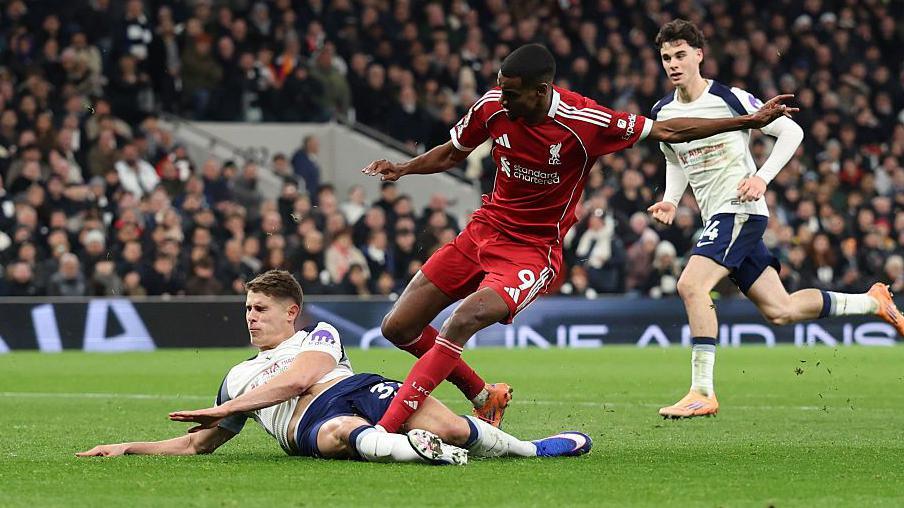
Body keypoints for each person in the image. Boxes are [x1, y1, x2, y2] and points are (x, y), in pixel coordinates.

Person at [360, 43, 797, 434]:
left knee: (463, 319)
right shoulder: (493, 106)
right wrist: (403, 168)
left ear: (541, 90)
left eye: (512, 93)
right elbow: (454, 151)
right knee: (397, 327)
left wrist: (747, 121)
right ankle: (484, 396)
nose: (502, 99)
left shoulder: (585, 120)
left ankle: (386, 429)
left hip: (531, 251)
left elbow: (667, 131)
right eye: (500, 90)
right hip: (481, 232)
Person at [645, 20, 904, 419]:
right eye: (666, 58)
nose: (673, 64)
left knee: (691, 284)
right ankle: (873, 303)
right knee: (780, 309)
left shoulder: (730, 98)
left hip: (740, 211)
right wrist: (670, 199)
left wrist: (761, 178)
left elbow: (792, 133)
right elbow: (674, 158)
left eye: (681, 55)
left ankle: (702, 390)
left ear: (699, 55)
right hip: (720, 216)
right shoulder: (664, 111)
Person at [76, 270, 591, 465]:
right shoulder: (234, 374)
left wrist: (228, 407)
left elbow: (301, 379)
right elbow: (197, 443)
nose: (251, 319)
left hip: (359, 387)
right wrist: (127, 446)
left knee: (453, 427)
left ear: (290, 312)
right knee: (343, 433)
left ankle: (531, 449)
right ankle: (419, 454)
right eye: (247, 310)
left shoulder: (319, 338)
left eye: (260, 310)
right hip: (310, 424)